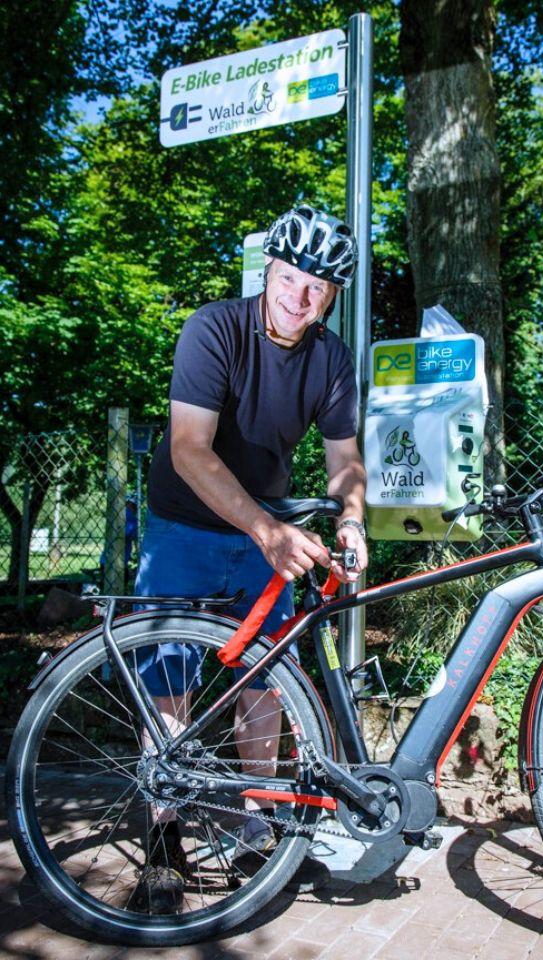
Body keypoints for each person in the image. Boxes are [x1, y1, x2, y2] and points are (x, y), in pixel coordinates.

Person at [132, 204, 368, 913]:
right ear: (270, 268)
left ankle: (252, 826)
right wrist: (268, 530)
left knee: (264, 686)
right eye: (293, 278)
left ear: (332, 295)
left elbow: (344, 458)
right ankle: (163, 842)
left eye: (319, 288)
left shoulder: (330, 357)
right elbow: (188, 448)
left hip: (267, 536)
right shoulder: (214, 330)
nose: (301, 298)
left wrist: (353, 518)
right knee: (168, 684)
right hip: (184, 531)